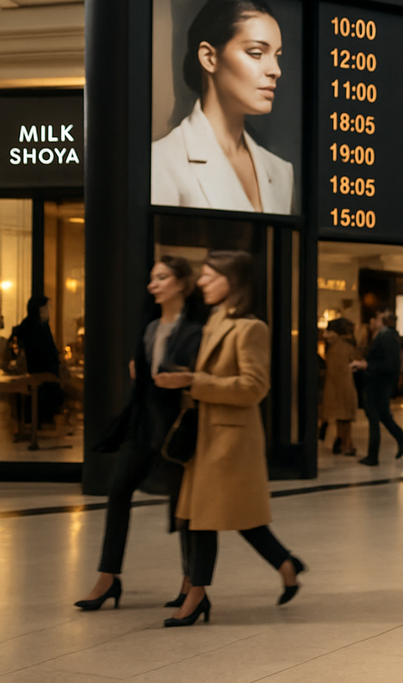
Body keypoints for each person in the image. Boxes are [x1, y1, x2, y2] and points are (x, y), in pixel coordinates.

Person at [154, 250, 304, 627]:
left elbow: (255, 387)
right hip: (206, 437)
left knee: (206, 518)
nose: (201, 282)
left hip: (229, 442)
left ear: (231, 281)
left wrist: (194, 382)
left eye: (209, 275)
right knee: (218, 517)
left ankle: (197, 596)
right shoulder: (215, 319)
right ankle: (286, 565)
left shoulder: (251, 328)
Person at [75, 258, 205, 612]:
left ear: (181, 284)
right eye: (152, 279)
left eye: (162, 278)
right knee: (118, 490)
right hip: (142, 426)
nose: (153, 285)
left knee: (183, 507)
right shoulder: (150, 329)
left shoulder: (195, 329)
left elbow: (196, 376)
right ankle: (108, 577)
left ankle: (191, 580)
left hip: (176, 429)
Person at [151, 0, 294, 214]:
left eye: (276, 55)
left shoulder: (280, 172)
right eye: (256, 53)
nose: (275, 71)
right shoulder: (163, 162)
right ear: (209, 57)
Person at [352, 309, 403, 464]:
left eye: (376, 318)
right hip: (377, 382)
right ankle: (400, 439)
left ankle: (373, 455)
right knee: (382, 415)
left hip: (380, 383)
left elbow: (390, 364)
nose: (372, 321)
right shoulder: (381, 336)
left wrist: (367, 366)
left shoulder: (388, 337)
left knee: (376, 416)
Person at [13, 295, 63, 428]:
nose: (49, 310)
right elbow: (39, 349)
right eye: (47, 306)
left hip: (45, 368)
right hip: (39, 369)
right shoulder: (33, 326)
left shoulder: (40, 325)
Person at [322, 318, 358, 456]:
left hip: (334, 386)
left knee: (341, 417)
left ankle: (342, 442)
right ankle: (346, 444)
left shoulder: (332, 345)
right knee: (345, 417)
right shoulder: (344, 345)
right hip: (344, 386)